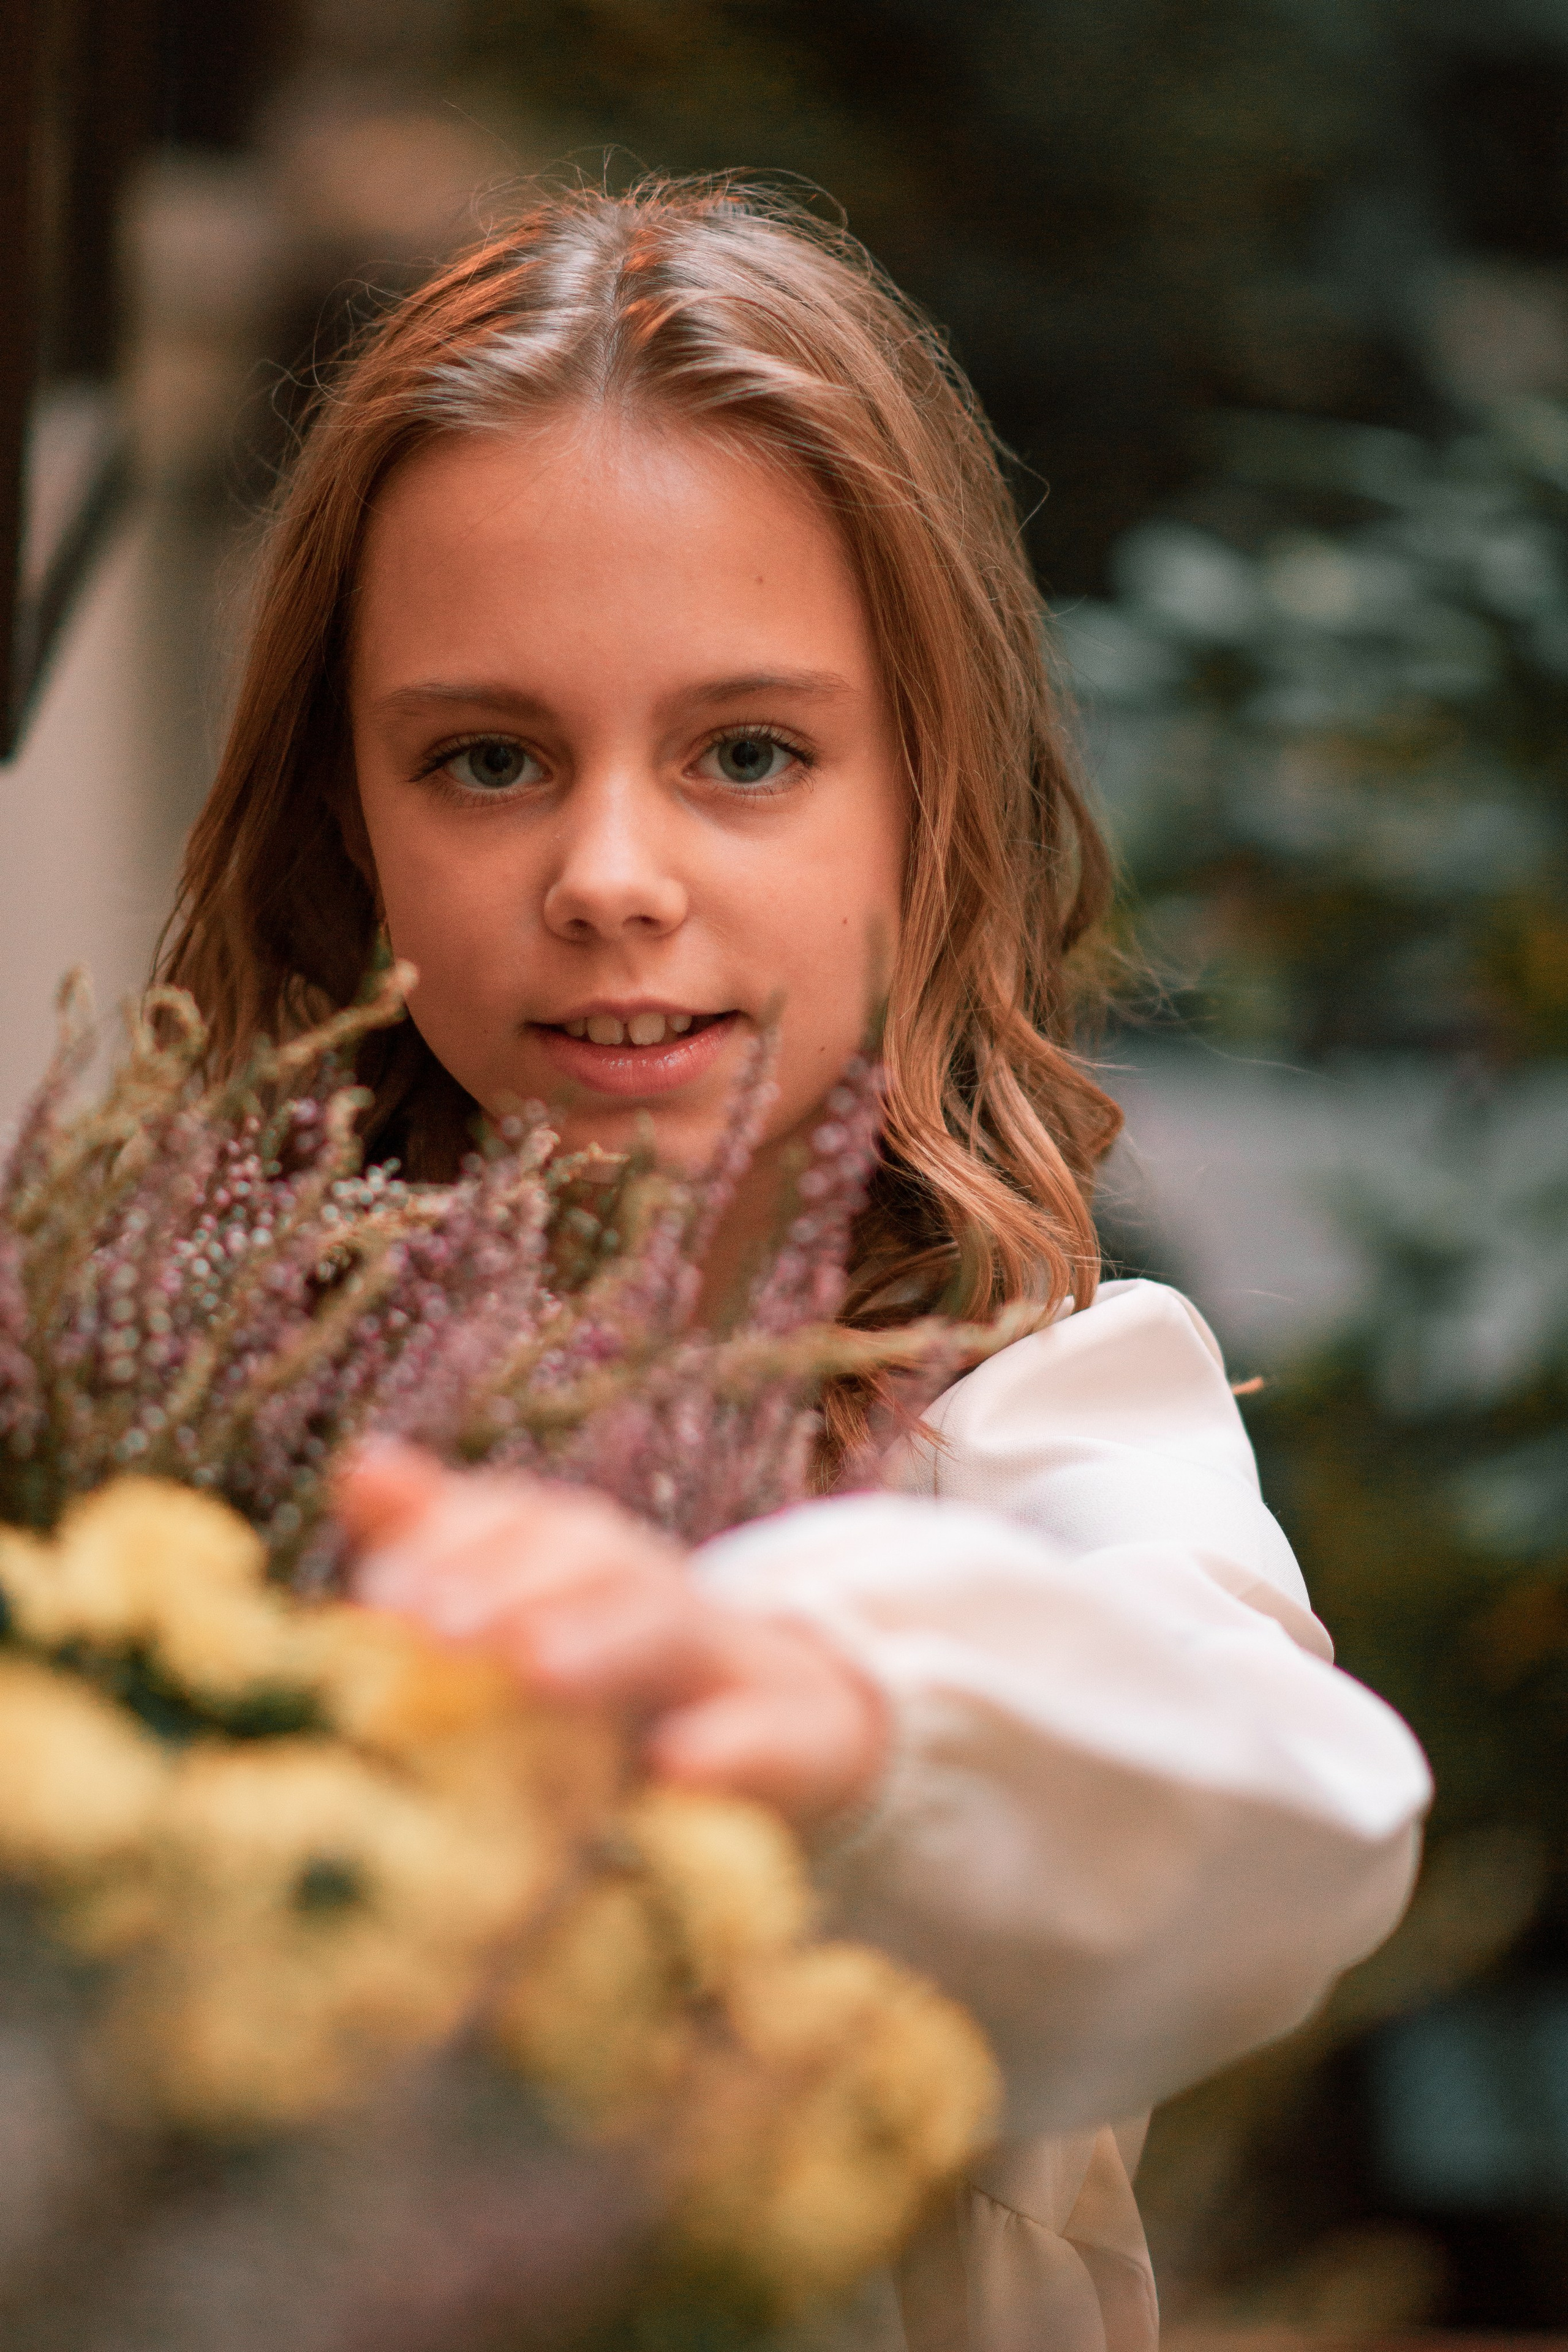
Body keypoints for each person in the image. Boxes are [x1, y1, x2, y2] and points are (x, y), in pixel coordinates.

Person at [159, 181, 1431, 2351]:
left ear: (929, 795)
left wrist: (849, 1712)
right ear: (344, 812)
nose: (611, 875)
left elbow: (1292, 1810)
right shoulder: (198, 1390)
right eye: (489, 759)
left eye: (747, 754)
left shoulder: (1033, 1418)